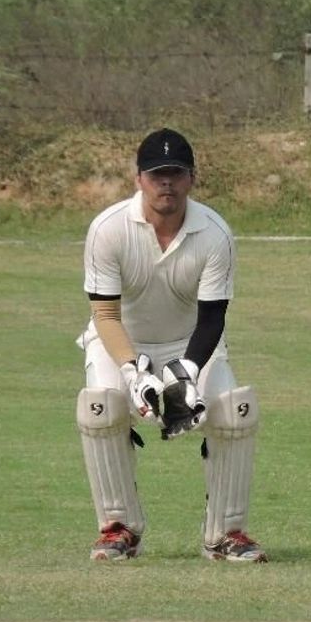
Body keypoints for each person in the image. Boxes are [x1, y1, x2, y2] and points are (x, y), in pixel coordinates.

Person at [76, 127, 266, 562]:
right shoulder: (108, 229)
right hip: (120, 341)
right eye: (157, 174)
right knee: (100, 405)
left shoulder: (215, 233)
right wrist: (134, 373)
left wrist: (187, 373)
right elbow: (105, 316)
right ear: (139, 178)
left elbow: (213, 316)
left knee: (235, 412)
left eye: (176, 174)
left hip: (193, 342)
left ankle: (225, 533)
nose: (167, 183)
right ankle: (118, 527)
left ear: (191, 178)